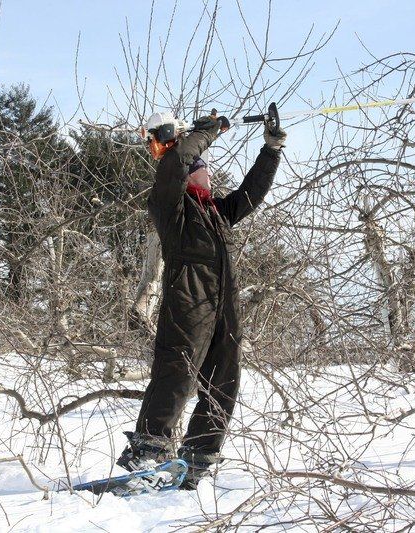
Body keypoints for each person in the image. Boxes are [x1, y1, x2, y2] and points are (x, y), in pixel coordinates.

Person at [118, 111, 286, 488]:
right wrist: (206, 133)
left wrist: (272, 149)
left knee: (225, 379)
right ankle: (147, 451)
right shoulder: (169, 205)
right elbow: (174, 162)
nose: (206, 174)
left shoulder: (216, 213)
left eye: (205, 169)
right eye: (199, 169)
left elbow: (251, 194)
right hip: (187, 296)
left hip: (224, 300)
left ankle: (196, 460)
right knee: (177, 371)